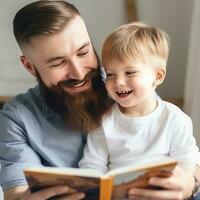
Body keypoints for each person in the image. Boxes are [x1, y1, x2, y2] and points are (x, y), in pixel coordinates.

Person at [0, 1, 199, 199]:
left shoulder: (123, 84)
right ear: (29, 66)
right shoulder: (16, 119)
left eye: (83, 52)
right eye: (58, 63)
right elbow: (15, 192)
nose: (78, 74)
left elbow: (187, 157)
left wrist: (190, 183)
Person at [79, 22, 200, 199]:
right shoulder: (104, 121)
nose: (118, 81)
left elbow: (188, 160)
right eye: (110, 74)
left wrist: (181, 184)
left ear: (157, 76)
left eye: (130, 73)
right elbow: (92, 167)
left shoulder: (174, 119)